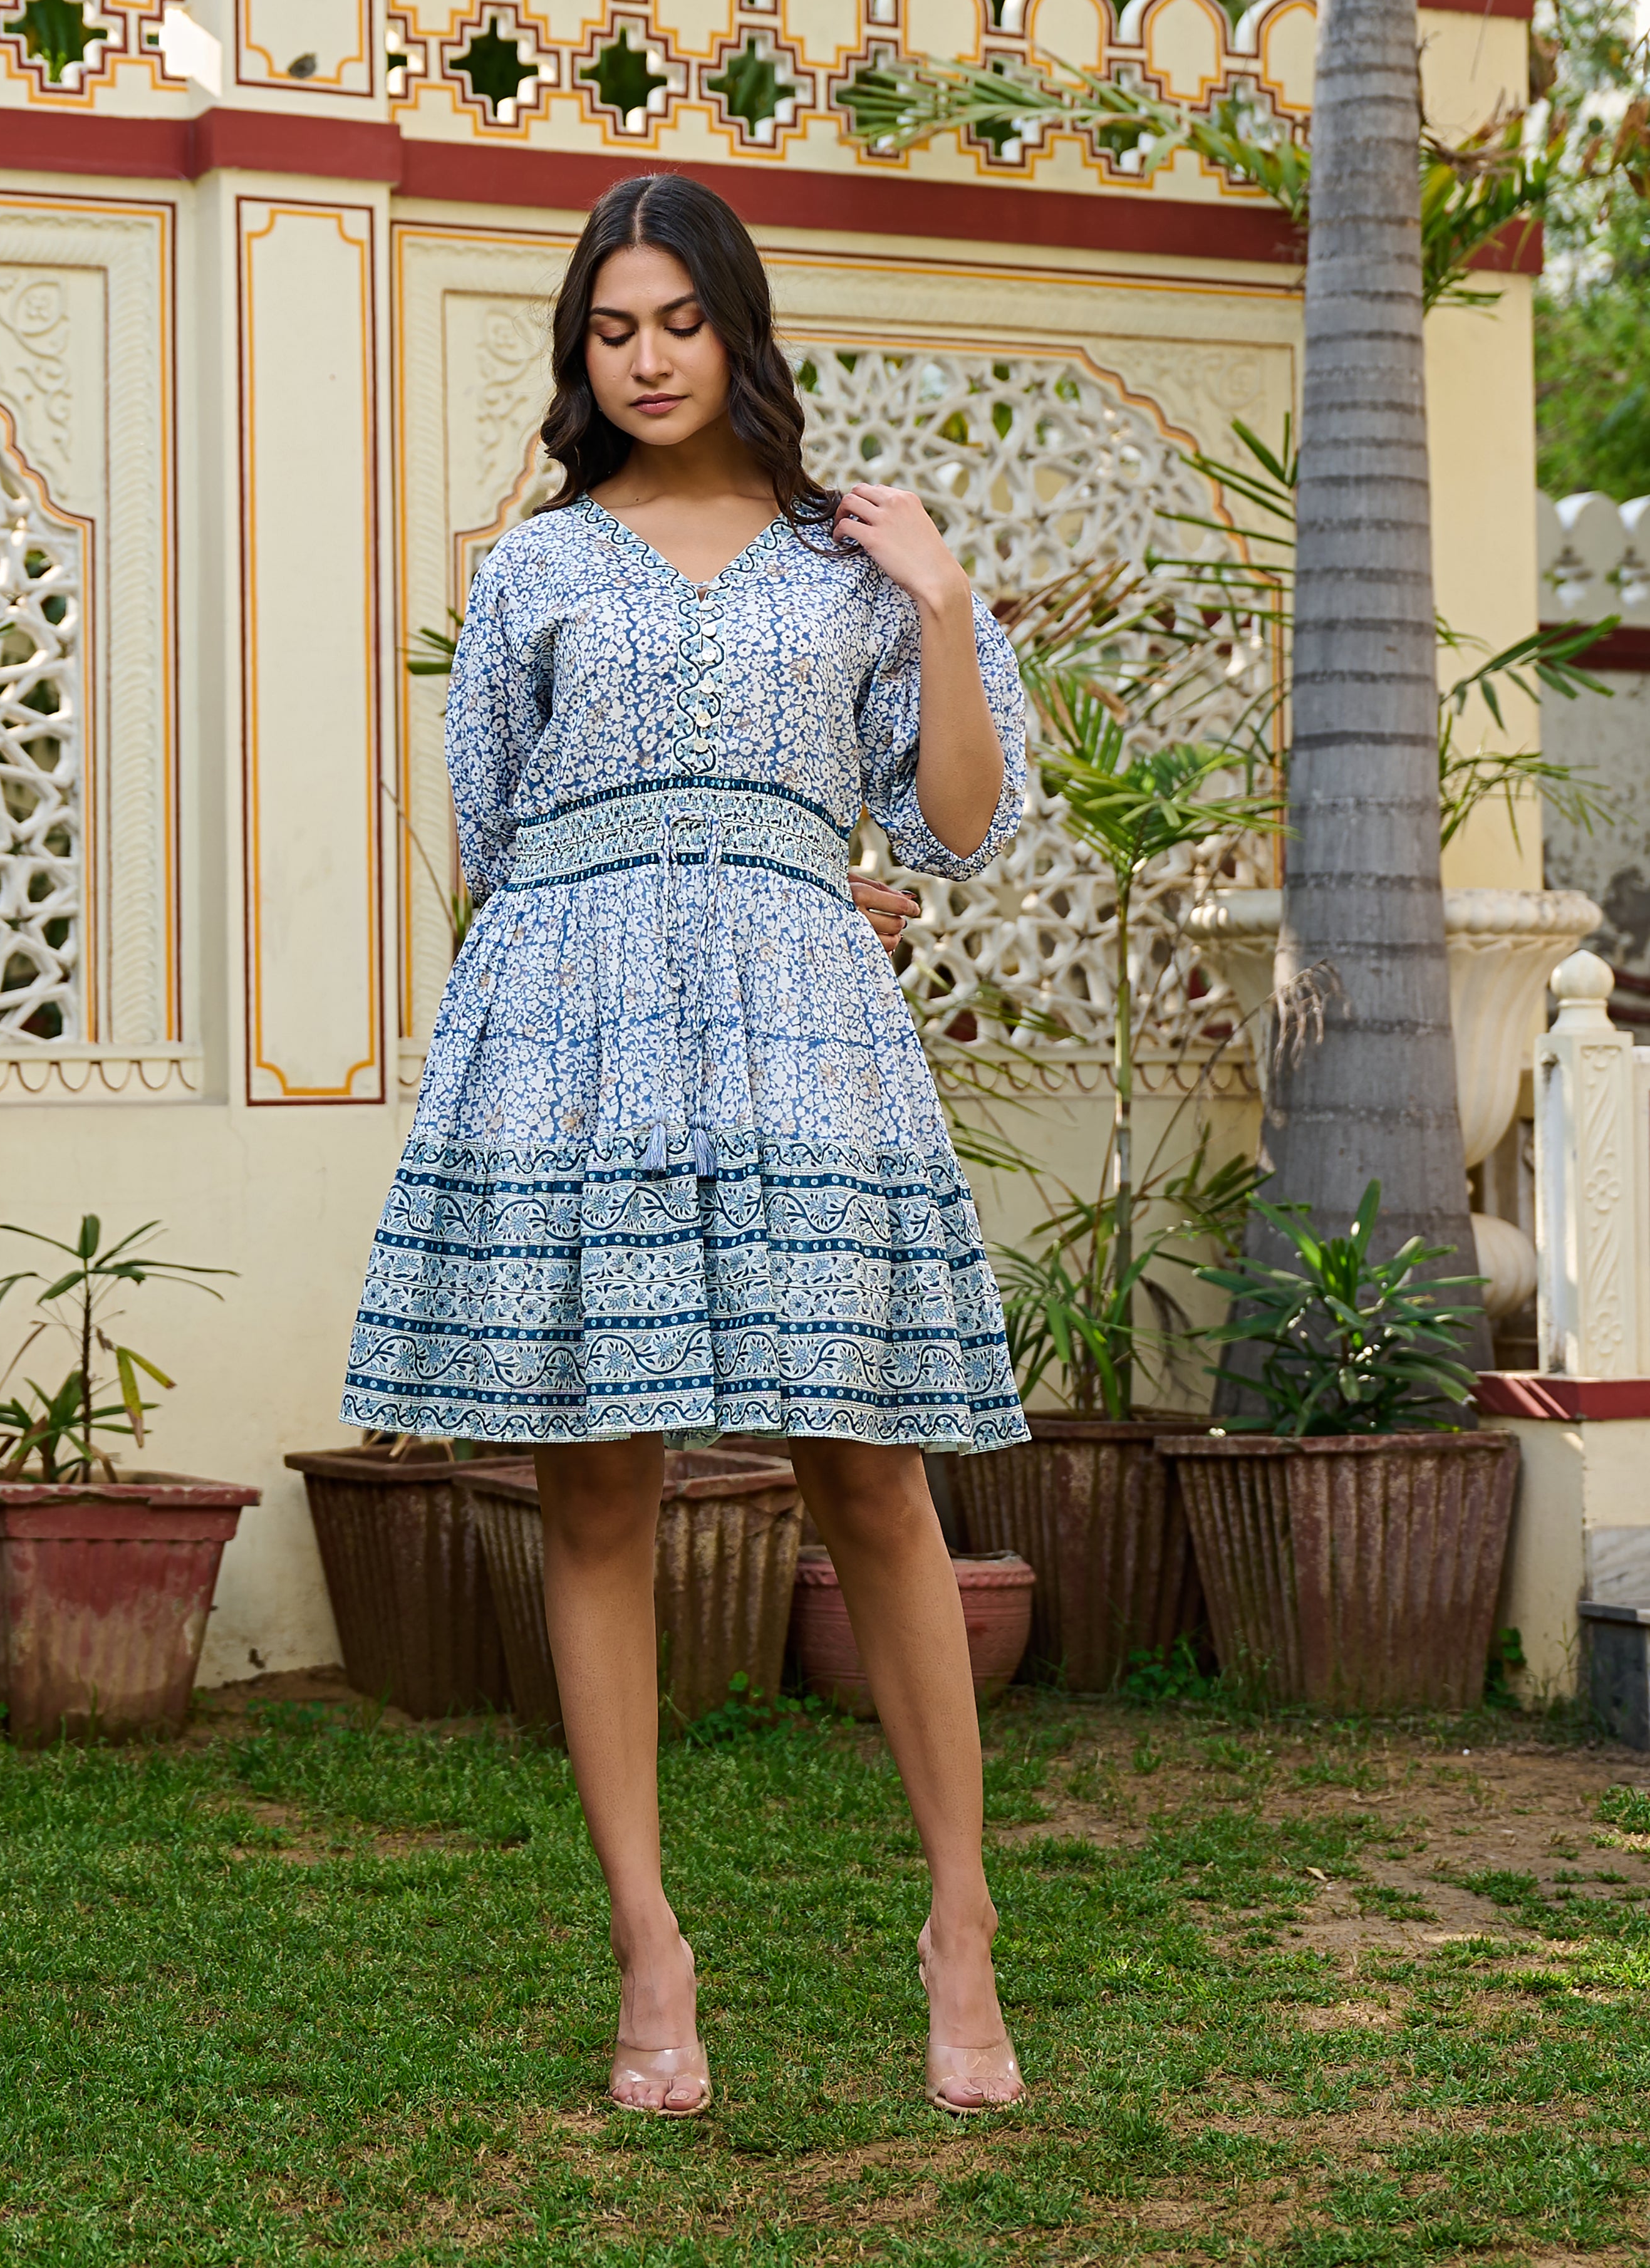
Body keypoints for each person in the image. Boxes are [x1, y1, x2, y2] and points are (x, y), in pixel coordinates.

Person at [342, 172, 1031, 2118]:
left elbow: (964, 826)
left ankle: (960, 1917)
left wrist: (944, 608)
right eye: (610, 328)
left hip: (804, 1027)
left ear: (738, 325)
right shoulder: (538, 568)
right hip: (576, 1030)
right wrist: (659, 880)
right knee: (596, 1498)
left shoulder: (854, 558)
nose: (645, 359)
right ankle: (651, 1942)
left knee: (872, 1476)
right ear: (582, 350)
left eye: (677, 321)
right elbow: (487, 835)